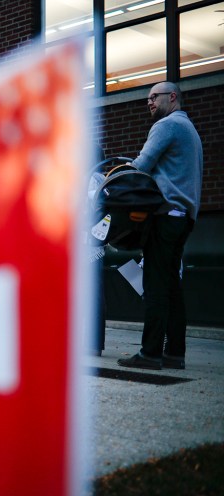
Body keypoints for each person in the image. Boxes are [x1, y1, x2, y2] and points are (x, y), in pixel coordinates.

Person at [117, 82, 203, 371]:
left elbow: (141, 166)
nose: (150, 103)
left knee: (154, 285)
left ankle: (150, 353)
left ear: (172, 97)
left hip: (164, 216)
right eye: (148, 99)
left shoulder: (167, 125)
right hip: (184, 217)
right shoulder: (190, 130)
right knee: (171, 286)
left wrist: (115, 176)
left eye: (155, 97)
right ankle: (175, 353)